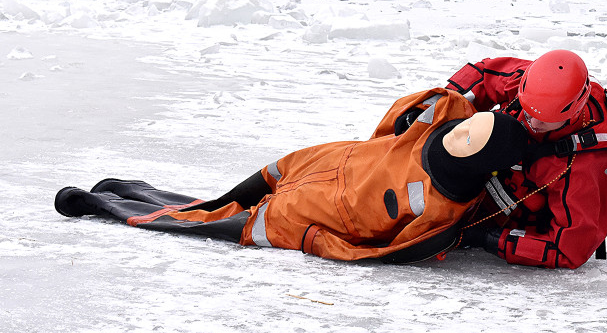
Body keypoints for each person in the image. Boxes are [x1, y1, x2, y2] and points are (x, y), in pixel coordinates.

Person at [54, 88, 531, 264]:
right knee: (212, 208)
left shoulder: (442, 210)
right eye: (474, 124)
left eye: (473, 136)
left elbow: (380, 253)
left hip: (302, 207)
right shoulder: (448, 114)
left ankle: (108, 201)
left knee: (206, 218)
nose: (465, 130)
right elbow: (399, 119)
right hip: (312, 168)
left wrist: (312, 238)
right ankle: (126, 193)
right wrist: (377, 149)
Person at [446, 49, 607, 269]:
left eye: (544, 119)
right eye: (528, 111)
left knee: (531, 199)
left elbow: (569, 250)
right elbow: (484, 73)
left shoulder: (584, 168)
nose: (533, 123)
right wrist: (438, 106)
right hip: (514, 161)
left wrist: (490, 239)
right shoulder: (538, 80)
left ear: (573, 112)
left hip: (535, 201)